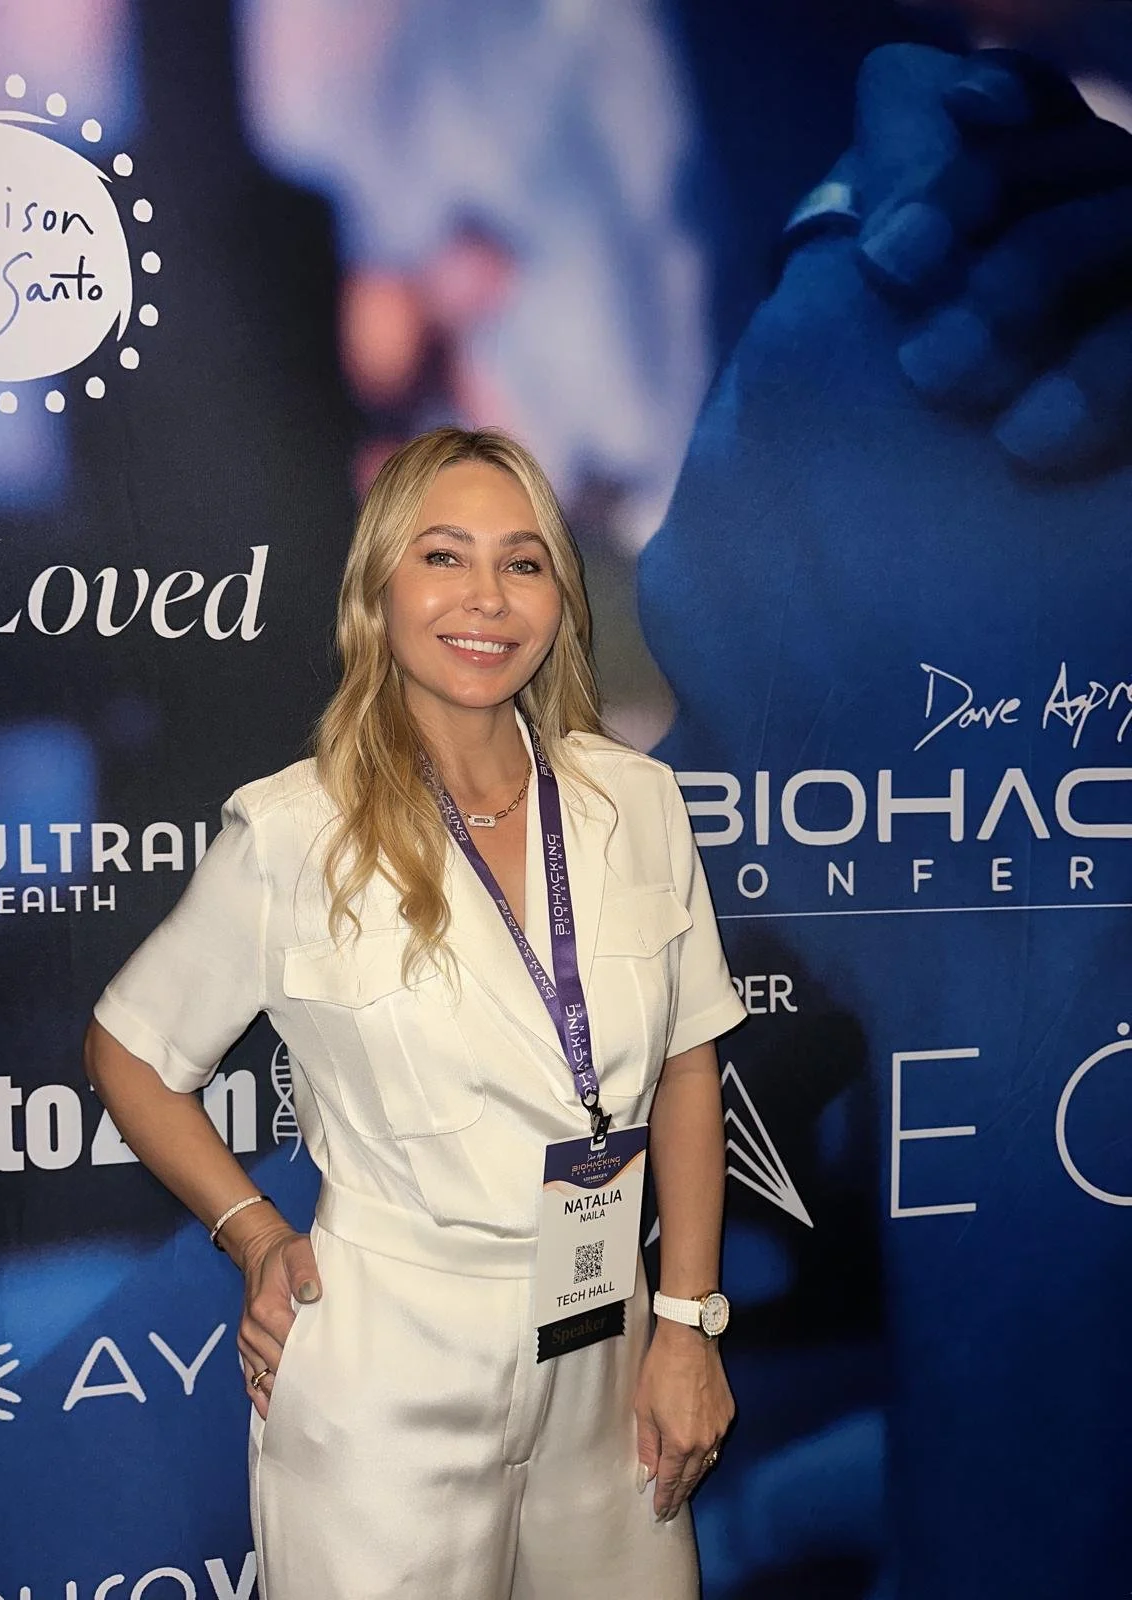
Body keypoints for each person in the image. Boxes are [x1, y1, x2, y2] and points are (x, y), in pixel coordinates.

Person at [84, 425, 747, 1600]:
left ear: (562, 595)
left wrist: (688, 1320)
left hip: (609, 1352)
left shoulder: (634, 802)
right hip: (386, 1370)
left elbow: (689, 1063)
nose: (486, 598)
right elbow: (131, 1047)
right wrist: (252, 1231)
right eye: (444, 557)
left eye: (524, 561)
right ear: (377, 589)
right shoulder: (293, 833)